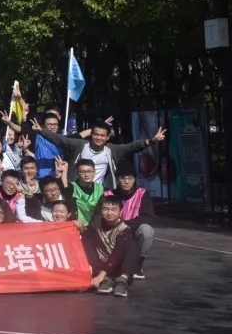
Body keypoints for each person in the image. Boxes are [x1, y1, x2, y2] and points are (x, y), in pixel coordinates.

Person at [33, 118, 165, 187]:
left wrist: (151, 141)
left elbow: (132, 147)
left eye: (102, 136)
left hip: (98, 191)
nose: (98, 138)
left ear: (107, 137)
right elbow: (60, 140)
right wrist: (41, 130)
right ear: (91, 134)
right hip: (76, 189)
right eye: (96, 134)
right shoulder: (80, 145)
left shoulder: (111, 150)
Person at [82, 196, 141, 298]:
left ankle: (122, 280)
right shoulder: (96, 223)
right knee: (86, 241)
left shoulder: (124, 229)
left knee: (132, 245)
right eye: (106, 209)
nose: (109, 213)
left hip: (118, 266)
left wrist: (101, 274)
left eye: (114, 210)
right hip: (100, 266)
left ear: (120, 212)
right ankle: (106, 280)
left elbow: (117, 254)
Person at [108, 169, 155, 279]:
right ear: (117, 179)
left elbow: (147, 217)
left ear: (134, 180)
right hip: (115, 230)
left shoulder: (142, 194)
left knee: (147, 230)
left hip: (135, 229)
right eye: (123, 178)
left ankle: (138, 265)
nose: (126, 181)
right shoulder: (109, 194)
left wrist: (126, 225)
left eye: (130, 178)